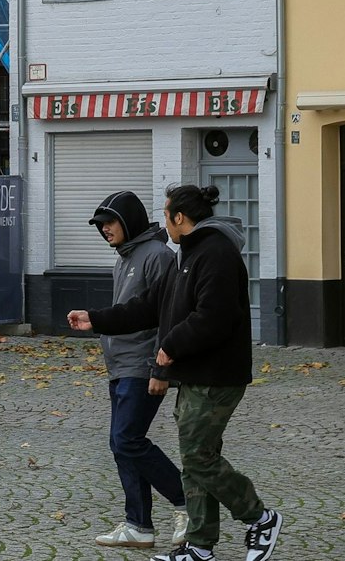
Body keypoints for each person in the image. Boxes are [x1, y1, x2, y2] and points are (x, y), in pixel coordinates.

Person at [70, 183, 283, 561]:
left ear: (179, 218)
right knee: (194, 458)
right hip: (195, 374)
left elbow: (213, 318)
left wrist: (168, 349)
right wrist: (97, 319)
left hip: (217, 375)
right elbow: (150, 306)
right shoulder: (188, 253)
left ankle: (260, 517)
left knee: (200, 458)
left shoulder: (215, 253)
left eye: (166, 215)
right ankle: (199, 547)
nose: (163, 223)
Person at [83, 191, 188, 549]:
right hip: (119, 365)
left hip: (141, 365)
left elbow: (166, 315)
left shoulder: (157, 256)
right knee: (121, 444)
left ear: (129, 221)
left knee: (126, 439)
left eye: (109, 223)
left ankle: (186, 500)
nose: (105, 230)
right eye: (100, 226)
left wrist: (158, 368)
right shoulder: (125, 257)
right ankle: (138, 524)